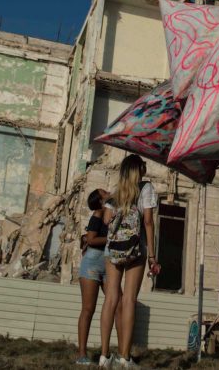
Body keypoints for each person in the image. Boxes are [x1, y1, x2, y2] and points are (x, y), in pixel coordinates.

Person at [99, 155, 159, 369]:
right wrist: (152, 256)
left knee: (110, 299)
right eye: (143, 164)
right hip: (136, 249)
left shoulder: (116, 191)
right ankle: (124, 358)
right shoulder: (146, 189)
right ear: (138, 170)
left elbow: (106, 221)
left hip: (113, 250)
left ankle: (104, 356)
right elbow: (148, 222)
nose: (146, 166)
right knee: (129, 300)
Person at [75, 188, 122, 366]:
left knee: (118, 305)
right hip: (93, 263)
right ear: (101, 200)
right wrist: (111, 237)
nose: (109, 191)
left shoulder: (112, 212)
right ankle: (81, 355)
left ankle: (119, 352)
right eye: (104, 192)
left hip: (109, 262)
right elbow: (91, 239)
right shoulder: (98, 213)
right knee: (88, 309)